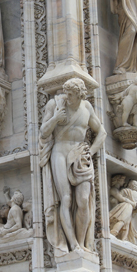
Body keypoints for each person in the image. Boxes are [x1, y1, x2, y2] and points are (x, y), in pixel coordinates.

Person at [40, 78, 106, 254]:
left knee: (83, 199)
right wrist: (55, 119)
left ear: (79, 95)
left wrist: (90, 152)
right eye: (66, 92)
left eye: (70, 94)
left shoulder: (86, 108)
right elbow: (44, 132)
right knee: (66, 199)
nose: (67, 96)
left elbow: (101, 132)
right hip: (60, 152)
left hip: (80, 154)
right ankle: (73, 245)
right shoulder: (55, 104)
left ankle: (83, 243)